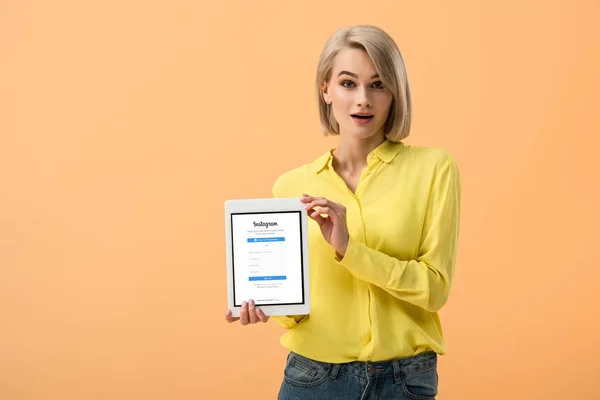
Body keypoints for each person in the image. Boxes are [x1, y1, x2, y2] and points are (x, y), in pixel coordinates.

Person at [225, 24, 461, 400]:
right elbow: (298, 312)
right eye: (348, 83)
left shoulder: (434, 169)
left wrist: (350, 250)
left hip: (404, 381)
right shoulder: (291, 186)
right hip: (312, 379)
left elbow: (434, 289)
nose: (363, 99)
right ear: (326, 90)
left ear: (395, 92)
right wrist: (270, 306)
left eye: (378, 84)